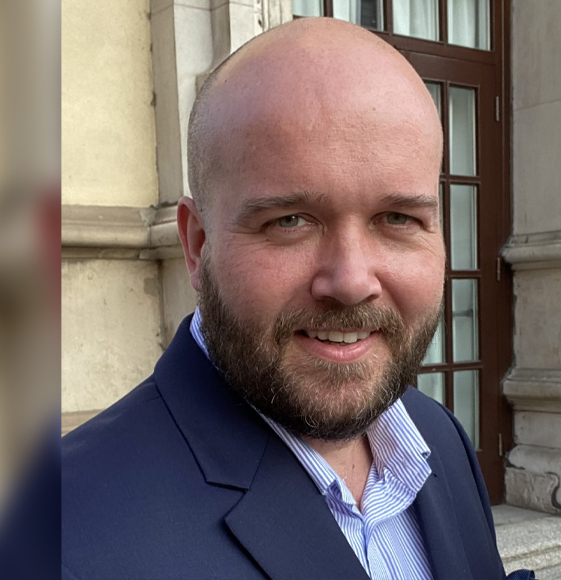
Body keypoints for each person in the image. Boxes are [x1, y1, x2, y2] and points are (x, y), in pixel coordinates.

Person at [63, 18, 532, 580]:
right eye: (290, 220)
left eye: (398, 218)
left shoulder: (438, 439)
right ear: (197, 245)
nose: (352, 280)